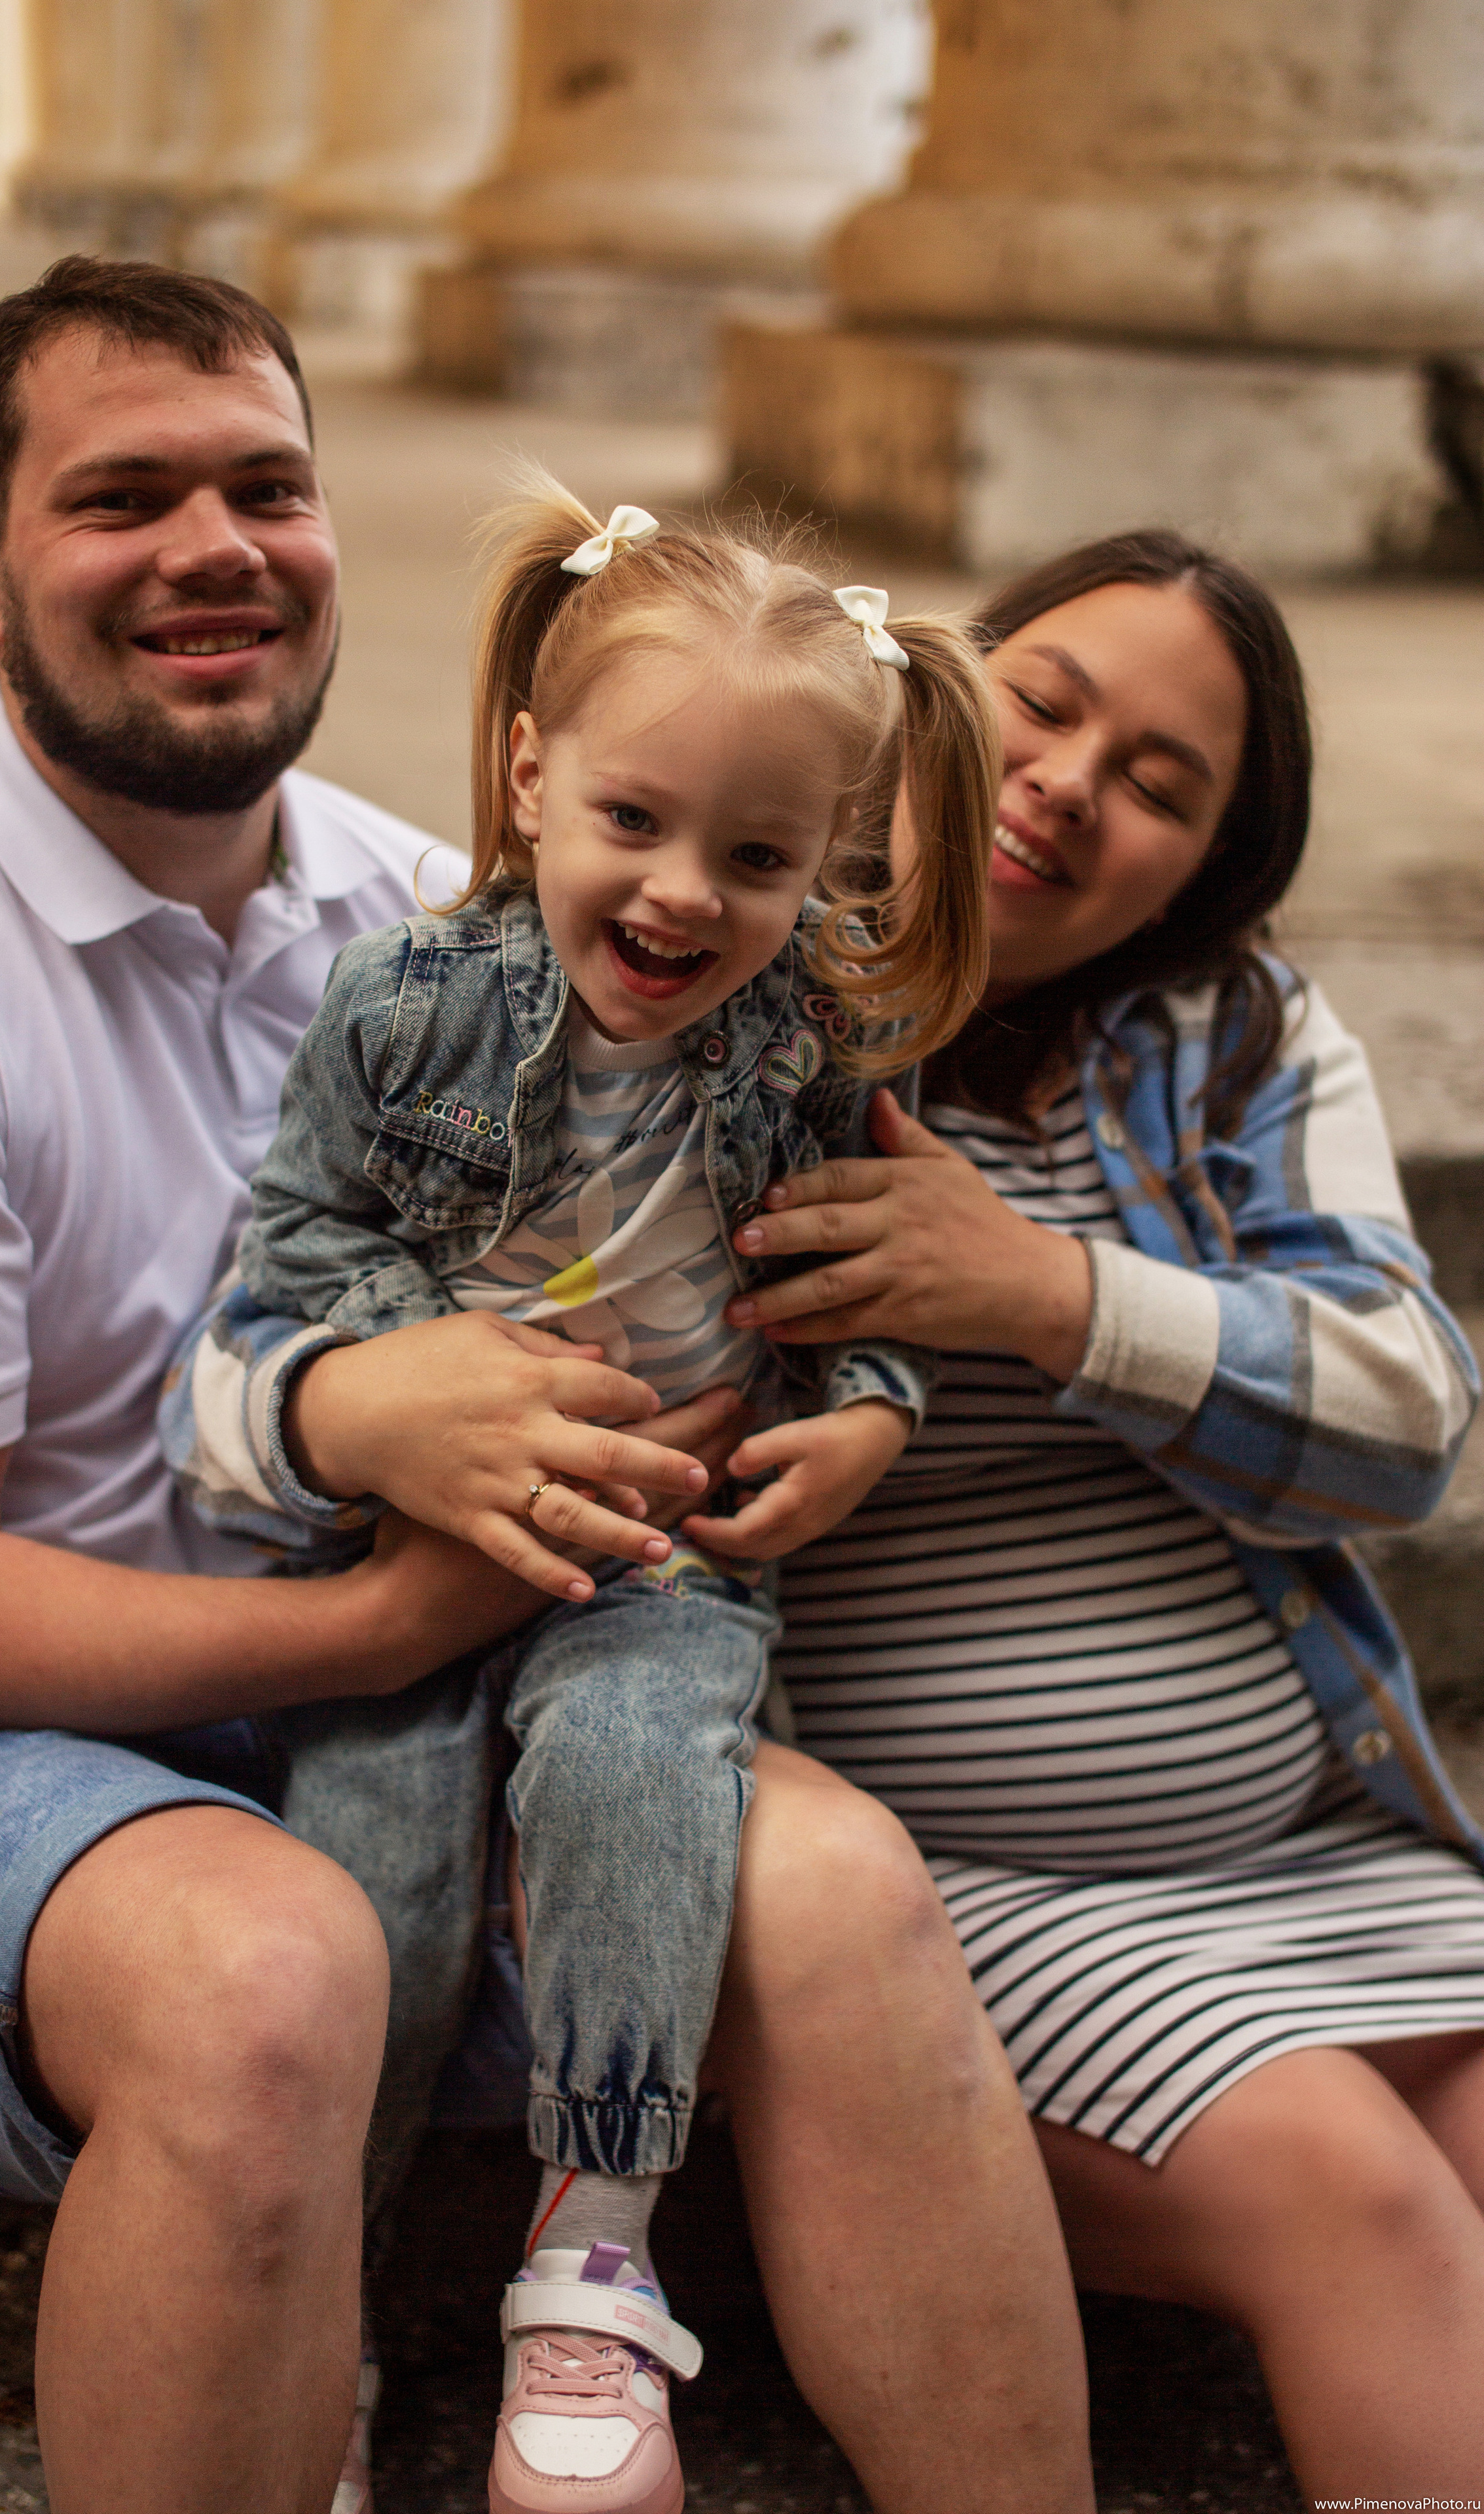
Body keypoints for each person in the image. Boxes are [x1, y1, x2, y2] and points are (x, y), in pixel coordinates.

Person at [0, 253, 1094, 2514]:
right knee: (271, 1961)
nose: (216, 547)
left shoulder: (461, 920)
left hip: (457, 1674)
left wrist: (873, 1380)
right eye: (124, 498)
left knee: (845, 1895)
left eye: (266, 486)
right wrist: (388, 1603)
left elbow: (798, 1214)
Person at [179, 471, 994, 2514]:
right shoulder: (402, 1008)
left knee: (641, 1771)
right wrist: (412, 1372)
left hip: (662, 1549)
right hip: (422, 1532)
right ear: (533, 778)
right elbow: (289, 1258)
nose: (685, 895)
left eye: (759, 853)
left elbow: (859, 1285)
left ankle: (597, 2245)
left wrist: (872, 1412)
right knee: (372, 1863)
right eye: (636, 822)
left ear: (828, 866)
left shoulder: (806, 1044)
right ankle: (326, 2310)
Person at [720, 529, 1484, 2502]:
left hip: (1322, 1853)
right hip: (954, 1922)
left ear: (1206, 873)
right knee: (1361, 2199)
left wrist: (1044, 1293)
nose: (1071, 781)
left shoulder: (1226, 1041)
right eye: (1045, 703)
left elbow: (1409, 1422)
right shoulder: (717, 985)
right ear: (933, 694)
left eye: (1164, 784)